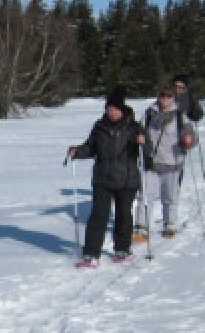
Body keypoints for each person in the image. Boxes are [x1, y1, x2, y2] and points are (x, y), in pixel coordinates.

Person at [66, 86, 146, 268]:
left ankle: (122, 249)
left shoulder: (133, 127)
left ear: (122, 109)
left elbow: (147, 151)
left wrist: (143, 142)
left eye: (115, 109)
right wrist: (77, 151)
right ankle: (91, 254)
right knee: (98, 216)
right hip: (103, 178)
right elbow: (91, 147)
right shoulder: (99, 126)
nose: (111, 112)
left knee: (123, 215)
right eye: (109, 108)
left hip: (127, 179)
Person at [136, 85, 197, 239]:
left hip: (172, 162)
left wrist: (188, 140)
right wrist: (139, 137)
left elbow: (191, 134)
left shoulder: (180, 115)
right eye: (162, 96)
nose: (165, 99)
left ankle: (169, 224)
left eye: (169, 96)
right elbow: (139, 130)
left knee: (169, 196)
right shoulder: (149, 113)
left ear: (173, 98)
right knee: (145, 195)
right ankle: (141, 226)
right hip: (151, 161)